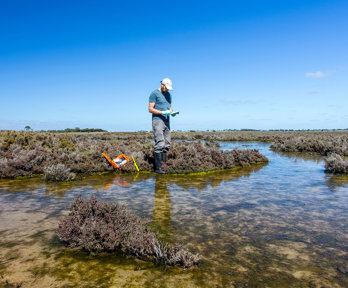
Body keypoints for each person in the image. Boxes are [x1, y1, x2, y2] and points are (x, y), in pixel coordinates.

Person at [148, 78, 176, 174]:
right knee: (160, 143)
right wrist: (162, 112)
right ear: (162, 85)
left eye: (169, 88)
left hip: (167, 120)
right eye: (166, 88)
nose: (167, 90)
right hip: (158, 120)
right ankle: (158, 168)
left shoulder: (169, 95)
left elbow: (170, 108)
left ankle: (164, 165)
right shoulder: (154, 93)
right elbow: (150, 109)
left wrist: (172, 113)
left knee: (167, 143)